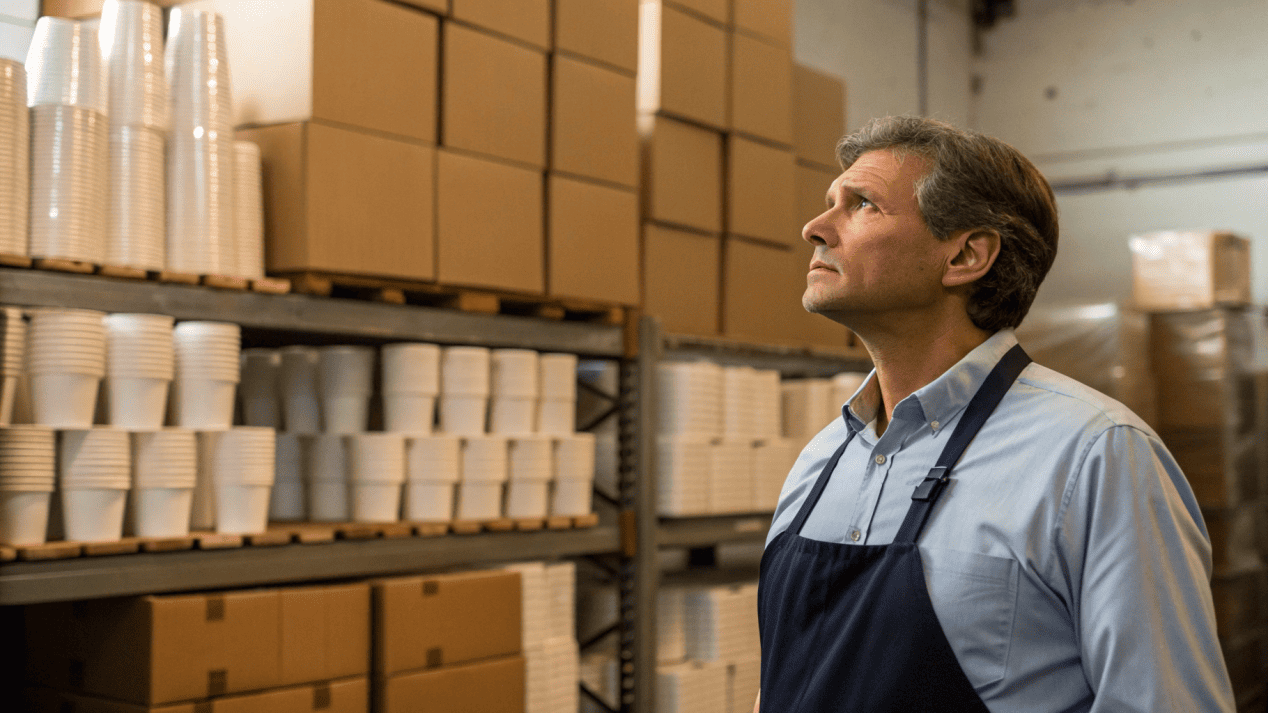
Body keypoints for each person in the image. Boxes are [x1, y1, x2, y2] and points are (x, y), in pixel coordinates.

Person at [755, 116, 1235, 712]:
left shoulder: (1095, 456)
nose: (814, 228)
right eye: (830, 202)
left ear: (966, 254)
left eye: (862, 205)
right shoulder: (823, 458)